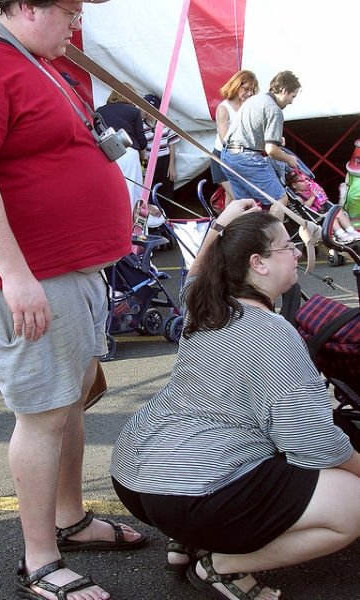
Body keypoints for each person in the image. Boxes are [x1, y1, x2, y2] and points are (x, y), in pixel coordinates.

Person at [0, 1, 145, 599]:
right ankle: (40, 560)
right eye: (70, 12)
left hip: (66, 269)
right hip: (29, 274)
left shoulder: (36, 59)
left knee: (69, 401)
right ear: (26, 6)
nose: (77, 24)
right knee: (45, 413)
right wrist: (15, 274)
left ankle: (69, 520)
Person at [110, 199, 360, 600]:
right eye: (287, 246)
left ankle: (190, 540)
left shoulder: (204, 303)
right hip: (192, 493)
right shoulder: (273, 333)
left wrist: (221, 225)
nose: (297, 253)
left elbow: (197, 271)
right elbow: (312, 443)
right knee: (352, 504)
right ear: (258, 263)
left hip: (133, 475)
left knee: (248, 443)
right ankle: (222, 565)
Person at [222, 70, 301, 218]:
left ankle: (244, 233)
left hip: (228, 155)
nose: (291, 102)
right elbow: (271, 150)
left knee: (246, 206)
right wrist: (289, 159)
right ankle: (274, 233)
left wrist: (275, 139)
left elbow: (249, 131)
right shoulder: (274, 110)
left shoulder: (254, 100)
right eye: (292, 96)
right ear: (284, 90)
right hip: (246, 158)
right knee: (279, 200)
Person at [210, 70, 259, 206]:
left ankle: (225, 220)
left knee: (232, 201)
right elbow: (225, 139)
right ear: (237, 86)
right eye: (246, 89)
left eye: (252, 90)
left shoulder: (247, 106)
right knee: (240, 199)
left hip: (238, 158)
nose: (249, 93)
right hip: (222, 158)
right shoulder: (224, 108)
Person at [96, 85, 147, 212]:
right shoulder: (134, 111)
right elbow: (141, 139)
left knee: (108, 188)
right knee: (130, 190)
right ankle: (129, 219)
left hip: (107, 153)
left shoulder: (100, 111)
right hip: (128, 153)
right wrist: (143, 154)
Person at [286, 167, 360, 243]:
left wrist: (321, 193)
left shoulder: (311, 189)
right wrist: (313, 196)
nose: (306, 182)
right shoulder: (298, 196)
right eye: (302, 181)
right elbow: (304, 207)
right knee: (331, 217)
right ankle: (340, 234)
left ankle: (351, 231)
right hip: (315, 217)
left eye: (307, 179)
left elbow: (323, 201)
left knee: (338, 211)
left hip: (323, 210)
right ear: (294, 185)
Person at [142, 93, 180, 206]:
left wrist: (171, 165)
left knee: (166, 192)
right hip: (149, 162)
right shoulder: (141, 126)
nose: (145, 111)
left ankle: (166, 214)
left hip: (164, 160)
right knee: (150, 190)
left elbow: (171, 144)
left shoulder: (164, 123)